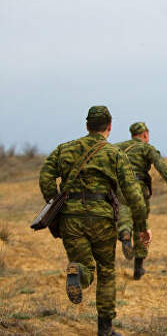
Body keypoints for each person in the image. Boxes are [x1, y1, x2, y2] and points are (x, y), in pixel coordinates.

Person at [39, 106, 148, 336]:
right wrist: (141, 226)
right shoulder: (115, 154)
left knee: (84, 264)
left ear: (87, 125)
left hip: (71, 218)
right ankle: (105, 329)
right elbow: (134, 195)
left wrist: (54, 201)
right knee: (107, 271)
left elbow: (46, 175)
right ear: (109, 127)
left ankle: (77, 272)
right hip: (102, 219)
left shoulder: (65, 149)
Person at [114, 122, 167, 280]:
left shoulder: (117, 147)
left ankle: (124, 232)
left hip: (119, 187)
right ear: (145, 135)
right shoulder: (146, 148)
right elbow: (160, 165)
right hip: (139, 187)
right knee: (141, 224)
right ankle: (138, 268)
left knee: (123, 211)